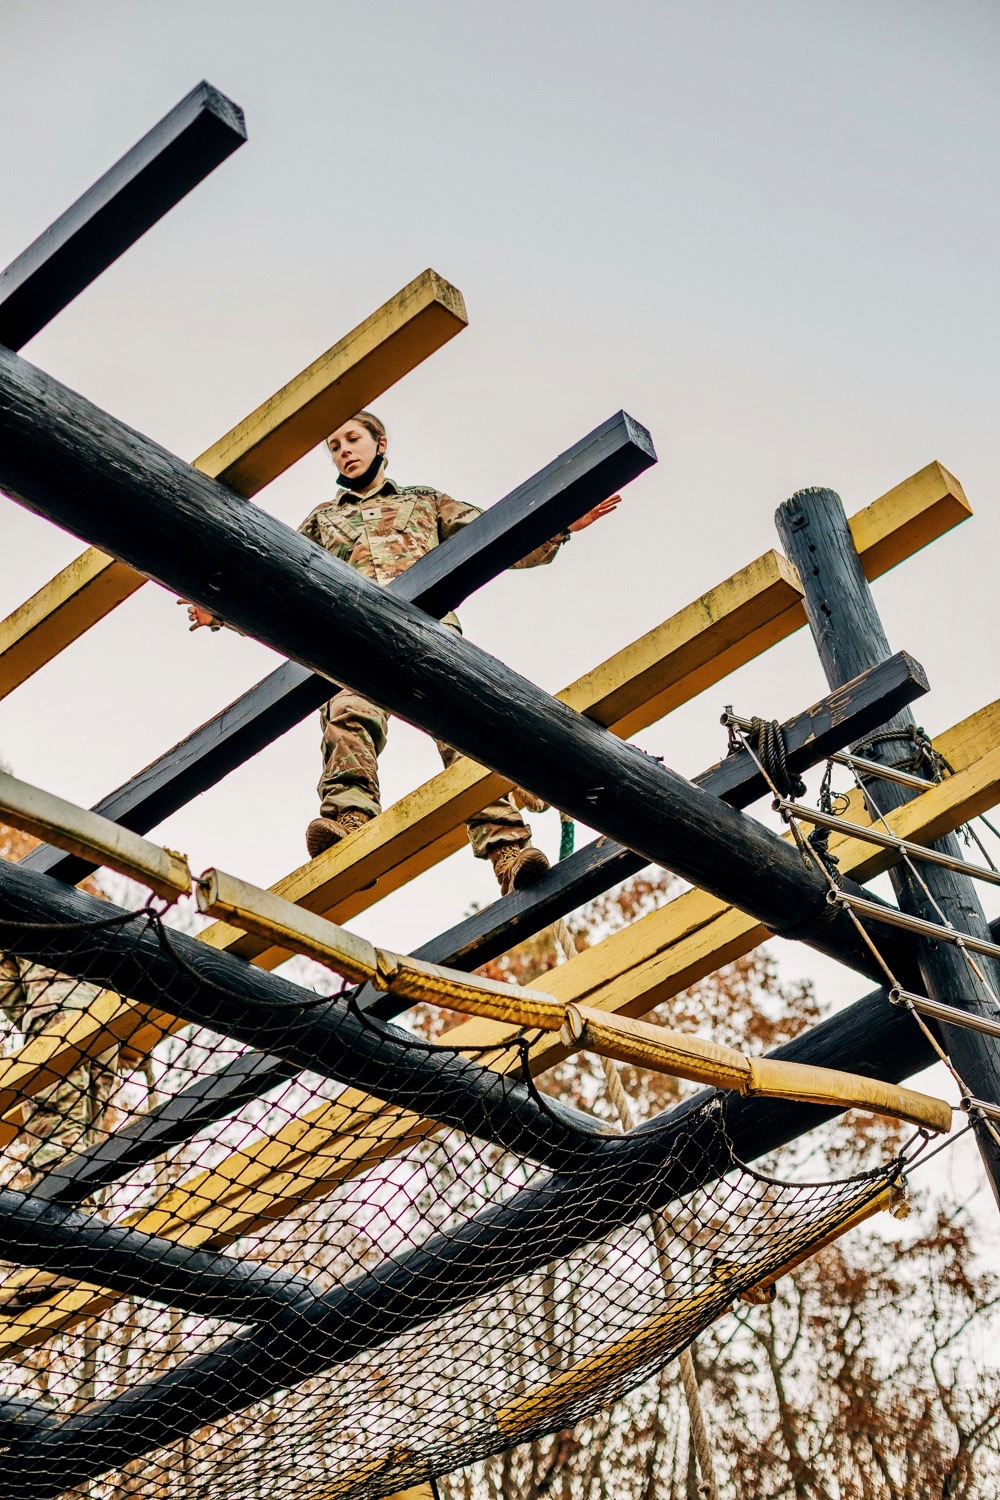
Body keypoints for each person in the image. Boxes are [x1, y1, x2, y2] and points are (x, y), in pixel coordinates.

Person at [185, 412, 622, 894]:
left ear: (380, 443)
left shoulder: (424, 502)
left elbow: (497, 537)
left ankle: (507, 850)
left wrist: (559, 528)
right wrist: (221, 611)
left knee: (467, 734)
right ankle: (350, 819)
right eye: (333, 445)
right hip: (356, 638)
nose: (343, 450)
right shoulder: (322, 521)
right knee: (348, 714)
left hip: (430, 630)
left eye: (352, 439)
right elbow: (278, 581)